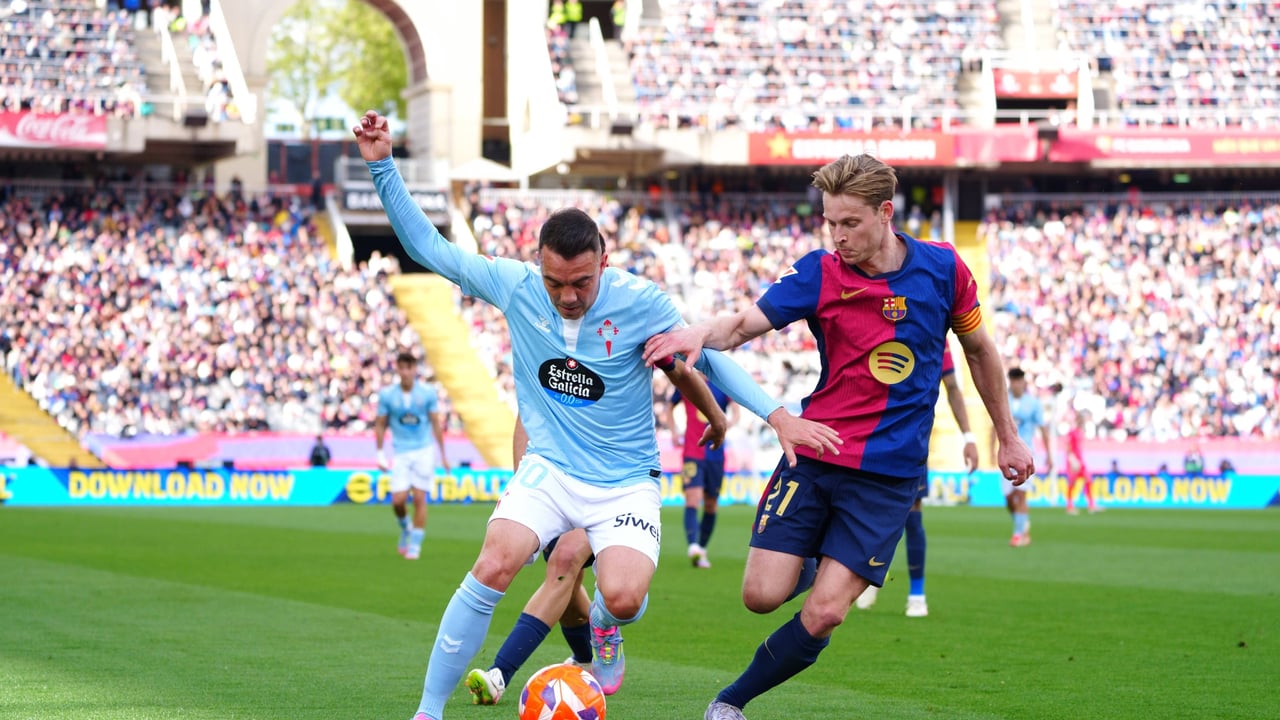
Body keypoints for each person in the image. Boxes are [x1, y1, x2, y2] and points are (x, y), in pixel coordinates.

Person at [352, 110, 841, 720]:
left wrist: (773, 415)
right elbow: (429, 247)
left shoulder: (640, 302)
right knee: (494, 561)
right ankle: (428, 711)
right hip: (550, 467)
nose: (568, 295)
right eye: (557, 282)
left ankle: (608, 626)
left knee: (623, 596)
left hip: (626, 480)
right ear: (540, 264)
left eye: (581, 281)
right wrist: (381, 164)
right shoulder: (514, 285)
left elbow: (707, 357)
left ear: (603, 262)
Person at [642, 152, 1035, 720]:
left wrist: (1007, 434)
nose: (838, 235)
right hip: (816, 452)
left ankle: (729, 704)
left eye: (849, 223)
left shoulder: (944, 270)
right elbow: (743, 326)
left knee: (826, 611)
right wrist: (700, 330)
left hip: (889, 475)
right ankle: (830, 559)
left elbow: (979, 351)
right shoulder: (819, 273)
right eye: (830, 222)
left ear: (885, 212)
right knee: (761, 597)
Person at [467, 358, 728, 705]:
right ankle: (581, 657)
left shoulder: (616, 359)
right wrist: (524, 492)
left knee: (573, 568)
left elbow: (681, 373)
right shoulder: (551, 361)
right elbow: (526, 420)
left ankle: (515, 666)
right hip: (556, 487)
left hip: (615, 489)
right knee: (567, 584)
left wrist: (720, 418)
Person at [854, 345, 978, 617]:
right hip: (873, 437)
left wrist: (968, 436)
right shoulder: (885, 329)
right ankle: (872, 574)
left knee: (912, 515)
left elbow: (953, 386)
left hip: (912, 443)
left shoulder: (936, 338)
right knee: (872, 516)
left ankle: (917, 594)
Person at [374, 351, 450, 560]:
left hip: (424, 449)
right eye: (402, 368)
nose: (406, 372)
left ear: (415, 369)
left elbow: (435, 423)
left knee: (419, 497)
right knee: (397, 501)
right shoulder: (387, 395)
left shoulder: (427, 393)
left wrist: (443, 455)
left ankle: (415, 545)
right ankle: (406, 527)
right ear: (397, 369)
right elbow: (380, 424)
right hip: (401, 451)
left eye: (409, 368)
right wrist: (380, 453)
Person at [665, 370, 738, 568]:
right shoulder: (686, 383)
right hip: (692, 451)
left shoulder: (721, 384)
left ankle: (702, 550)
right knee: (692, 497)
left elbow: (736, 411)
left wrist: (725, 425)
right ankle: (693, 546)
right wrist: (673, 432)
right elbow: (669, 406)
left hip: (715, 453)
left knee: (711, 504)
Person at [997, 367, 1052, 545]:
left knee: (1020, 495)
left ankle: (1019, 535)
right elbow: (994, 425)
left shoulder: (1033, 403)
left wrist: (1049, 455)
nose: (1016, 384)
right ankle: (1022, 525)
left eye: (1018, 381)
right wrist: (993, 449)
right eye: (1013, 381)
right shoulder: (1003, 400)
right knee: (1008, 498)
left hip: (1027, 453)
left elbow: (1043, 429)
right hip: (1007, 452)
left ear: (1023, 382)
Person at [1064, 409, 1097, 514]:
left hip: (1081, 460)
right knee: (1072, 483)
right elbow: (1068, 447)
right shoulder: (1072, 432)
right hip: (1073, 461)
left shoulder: (1080, 432)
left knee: (1088, 480)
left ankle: (1091, 505)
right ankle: (1069, 506)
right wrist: (1072, 459)